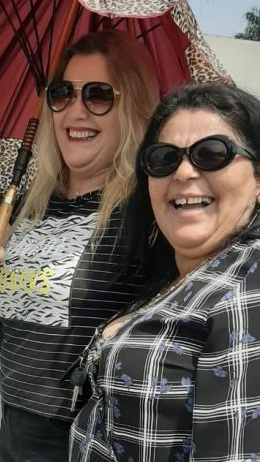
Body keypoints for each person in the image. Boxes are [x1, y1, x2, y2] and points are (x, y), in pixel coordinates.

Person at [0, 30, 160, 461]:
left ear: (132, 107)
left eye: (98, 95)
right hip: (14, 422)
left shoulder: (145, 210)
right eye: (62, 93)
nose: (75, 110)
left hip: (83, 434)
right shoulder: (36, 201)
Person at [70, 81, 260, 461]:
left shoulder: (248, 287)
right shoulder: (183, 277)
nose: (184, 172)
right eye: (163, 158)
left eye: (212, 153)